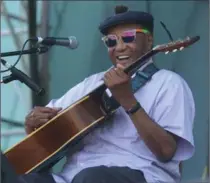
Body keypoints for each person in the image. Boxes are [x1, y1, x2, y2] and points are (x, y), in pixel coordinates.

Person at [23, 5, 195, 183]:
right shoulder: (92, 83)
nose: (119, 47)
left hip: (141, 174)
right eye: (111, 41)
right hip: (74, 177)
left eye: (129, 38)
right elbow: (46, 134)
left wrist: (127, 100)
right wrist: (33, 125)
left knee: (92, 177)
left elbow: (166, 152)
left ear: (149, 40)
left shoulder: (169, 83)